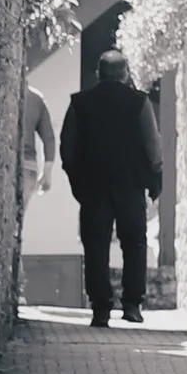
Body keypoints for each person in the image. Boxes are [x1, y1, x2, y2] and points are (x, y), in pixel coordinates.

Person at [57, 44, 163, 327]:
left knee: (96, 244)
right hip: (130, 183)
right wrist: (155, 176)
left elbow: (68, 144)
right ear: (126, 74)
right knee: (134, 243)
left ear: (98, 74)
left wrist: (75, 178)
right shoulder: (139, 102)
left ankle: (100, 308)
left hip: (92, 183)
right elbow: (152, 145)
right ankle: (132, 304)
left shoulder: (80, 103)